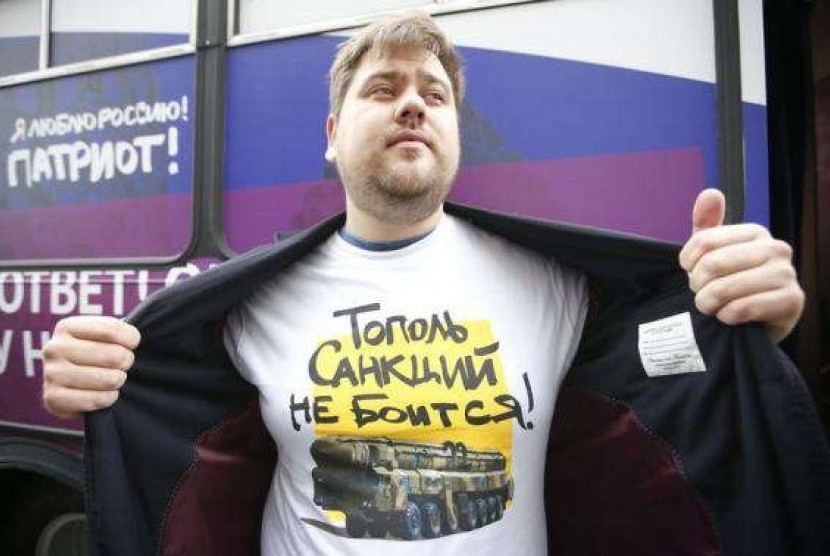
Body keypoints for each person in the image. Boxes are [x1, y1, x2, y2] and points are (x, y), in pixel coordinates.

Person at [42, 12, 810, 556]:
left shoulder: (560, 287)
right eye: (381, 89)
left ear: (453, 135)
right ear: (333, 136)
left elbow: (674, 385)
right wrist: (91, 379)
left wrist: (738, 320)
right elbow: (165, 429)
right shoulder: (242, 308)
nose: (412, 102)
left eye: (434, 94)